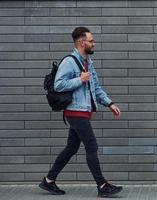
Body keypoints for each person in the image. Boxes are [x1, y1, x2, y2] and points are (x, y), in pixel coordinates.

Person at [39, 27, 122, 198]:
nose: (94, 43)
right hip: (75, 111)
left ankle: (48, 180)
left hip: (83, 111)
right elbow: (58, 85)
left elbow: (96, 88)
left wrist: (110, 103)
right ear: (81, 42)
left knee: (71, 147)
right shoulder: (69, 62)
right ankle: (102, 185)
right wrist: (80, 79)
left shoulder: (88, 63)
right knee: (91, 145)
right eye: (91, 41)